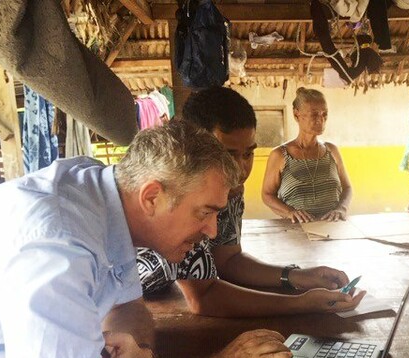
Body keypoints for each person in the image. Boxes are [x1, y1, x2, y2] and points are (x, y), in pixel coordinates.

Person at [0, 119, 294, 358]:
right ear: (152, 197)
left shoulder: (106, 196)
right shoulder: (57, 244)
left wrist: (139, 350)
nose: (212, 231)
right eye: (204, 213)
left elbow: (128, 306)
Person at [137, 87, 364, 317]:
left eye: (247, 154)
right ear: (195, 148)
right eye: (228, 154)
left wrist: (295, 276)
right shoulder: (177, 194)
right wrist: (300, 304)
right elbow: (203, 297)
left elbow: (227, 260)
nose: (240, 168)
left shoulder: (230, 190)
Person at [262, 87, 353, 223]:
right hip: (296, 229)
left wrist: (341, 208)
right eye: (314, 114)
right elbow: (267, 194)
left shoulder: (332, 151)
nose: (321, 119)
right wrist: (289, 212)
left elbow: (347, 188)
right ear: (296, 115)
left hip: (332, 229)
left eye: (325, 114)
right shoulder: (280, 155)